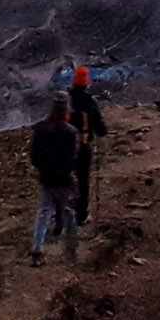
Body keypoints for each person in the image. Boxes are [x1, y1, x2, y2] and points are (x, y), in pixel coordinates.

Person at [27, 91, 80, 265]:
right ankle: (71, 251)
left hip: (46, 178)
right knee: (69, 212)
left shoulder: (40, 129)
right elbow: (73, 157)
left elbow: (34, 155)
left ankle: (37, 251)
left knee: (43, 213)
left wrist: (42, 169)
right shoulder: (71, 132)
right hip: (65, 179)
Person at [69, 65, 107, 225]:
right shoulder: (90, 102)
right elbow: (99, 127)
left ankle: (64, 212)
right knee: (83, 180)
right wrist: (102, 131)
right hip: (84, 146)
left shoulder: (67, 99)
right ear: (86, 83)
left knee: (66, 178)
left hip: (66, 147)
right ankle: (81, 215)